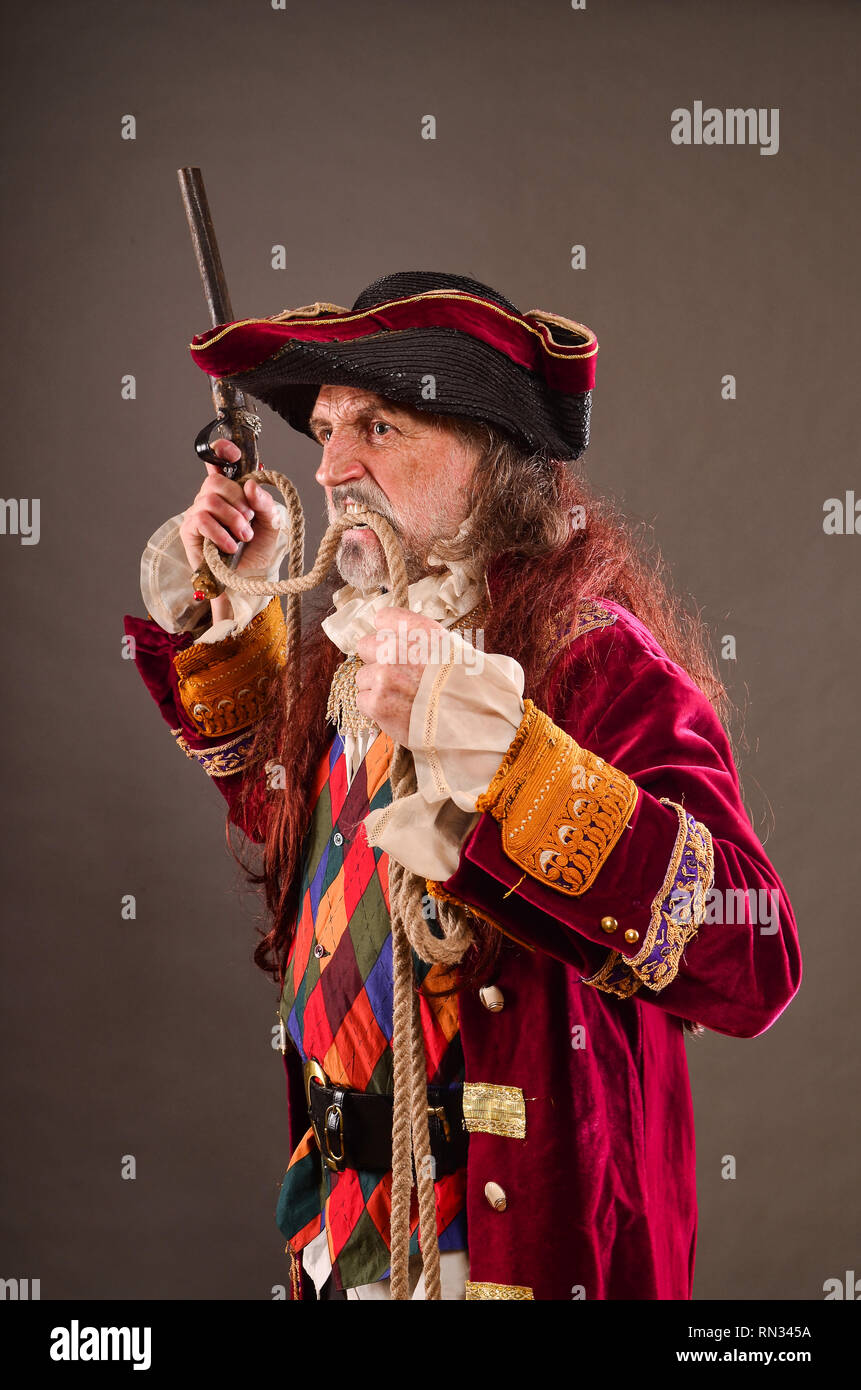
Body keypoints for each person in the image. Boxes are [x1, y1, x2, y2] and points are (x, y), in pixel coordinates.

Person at [123, 270, 802, 1301]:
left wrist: (508, 763)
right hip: (347, 1240)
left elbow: (755, 957)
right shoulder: (362, 648)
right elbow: (294, 837)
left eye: (381, 428)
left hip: (507, 1247)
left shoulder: (595, 661)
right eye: (326, 429)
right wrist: (239, 606)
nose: (334, 468)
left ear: (492, 457)